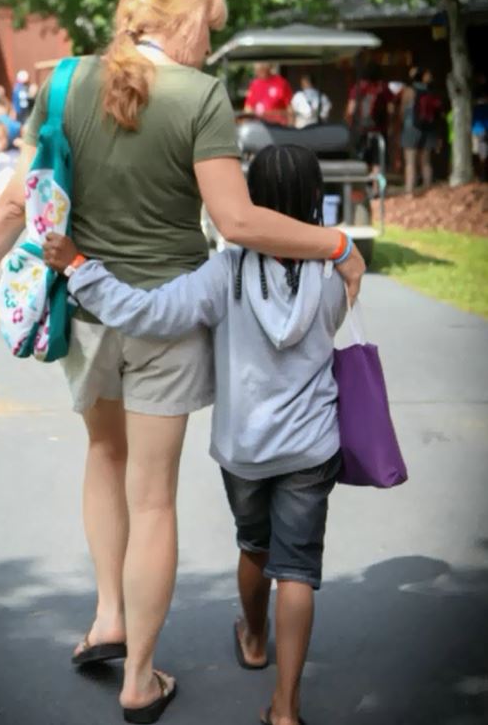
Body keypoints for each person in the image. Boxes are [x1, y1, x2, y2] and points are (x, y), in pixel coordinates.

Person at [0, 0, 365, 723]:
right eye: (211, 25)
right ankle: (140, 676)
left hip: (91, 315)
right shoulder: (201, 96)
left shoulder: (69, 79)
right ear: (183, 17)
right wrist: (332, 242)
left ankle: (108, 614)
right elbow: (236, 223)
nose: (212, 42)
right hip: (168, 322)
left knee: (102, 460)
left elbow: (17, 198)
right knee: (153, 501)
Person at [45, 144, 346, 725]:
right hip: (313, 445)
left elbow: (150, 314)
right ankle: (285, 709)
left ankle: (252, 640)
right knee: (300, 571)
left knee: (255, 545)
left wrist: (83, 268)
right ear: (314, 200)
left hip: (246, 449)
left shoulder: (225, 272)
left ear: (250, 201)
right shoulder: (333, 272)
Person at [345, 61, 394, 184]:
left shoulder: (357, 88)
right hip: (379, 131)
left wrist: (350, 125)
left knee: (363, 160)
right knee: (378, 162)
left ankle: (365, 188)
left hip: (360, 131)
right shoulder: (383, 87)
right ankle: (376, 191)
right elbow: (391, 110)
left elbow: (350, 110)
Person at [399, 66, 443, 194]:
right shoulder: (431, 92)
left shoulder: (408, 91)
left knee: (410, 163)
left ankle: (409, 191)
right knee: (426, 162)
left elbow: (402, 111)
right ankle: (428, 190)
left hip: (411, 129)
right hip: (428, 130)